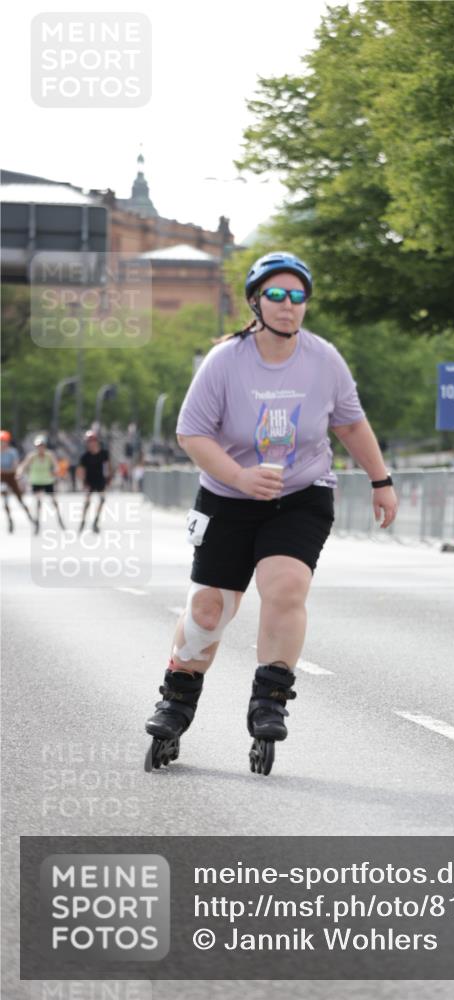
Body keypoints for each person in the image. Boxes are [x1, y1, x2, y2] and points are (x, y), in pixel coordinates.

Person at [144, 250, 399, 774]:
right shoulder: (225, 362)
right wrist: (238, 476)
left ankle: (269, 701)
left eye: (298, 296)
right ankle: (176, 699)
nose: (288, 306)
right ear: (257, 301)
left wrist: (381, 480)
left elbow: (350, 424)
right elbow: (190, 432)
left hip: (300, 494)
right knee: (209, 610)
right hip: (228, 498)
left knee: (284, 587)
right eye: (277, 295)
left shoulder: (323, 359)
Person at [17, 435, 65, 534]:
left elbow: (56, 466)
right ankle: (37, 523)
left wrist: (56, 471)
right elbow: (23, 466)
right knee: (38, 501)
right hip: (36, 481)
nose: (40, 448)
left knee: (53, 501)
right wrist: (19, 473)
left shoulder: (49, 455)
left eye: (42, 446)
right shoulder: (32, 456)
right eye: (39, 446)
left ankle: (60, 519)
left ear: (45, 446)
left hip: (48, 481)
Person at [77, 430, 112, 533]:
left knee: (102, 500)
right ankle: (83, 522)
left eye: (92, 441)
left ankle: (96, 521)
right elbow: (81, 471)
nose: (91, 443)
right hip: (89, 480)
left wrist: (109, 478)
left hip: (100, 479)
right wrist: (83, 482)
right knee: (87, 502)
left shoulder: (104, 453)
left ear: (96, 441)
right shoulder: (85, 456)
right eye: (89, 441)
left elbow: (108, 466)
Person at [0, 429, 34, 531]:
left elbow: (15, 466)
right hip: (2, 479)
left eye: (3, 441)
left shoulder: (12, 452)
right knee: (5, 501)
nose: (2, 444)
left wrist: (7, 470)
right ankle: (10, 520)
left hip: (12, 477)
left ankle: (30, 518)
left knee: (20, 499)